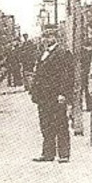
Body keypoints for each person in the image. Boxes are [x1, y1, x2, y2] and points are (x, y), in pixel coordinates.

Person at [30, 28, 74, 163]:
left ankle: (64, 154)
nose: (47, 39)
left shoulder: (63, 53)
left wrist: (63, 93)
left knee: (60, 124)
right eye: (45, 37)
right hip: (43, 96)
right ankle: (48, 153)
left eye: (50, 36)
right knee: (46, 124)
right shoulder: (43, 53)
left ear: (56, 38)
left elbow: (67, 75)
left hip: (56, 95)